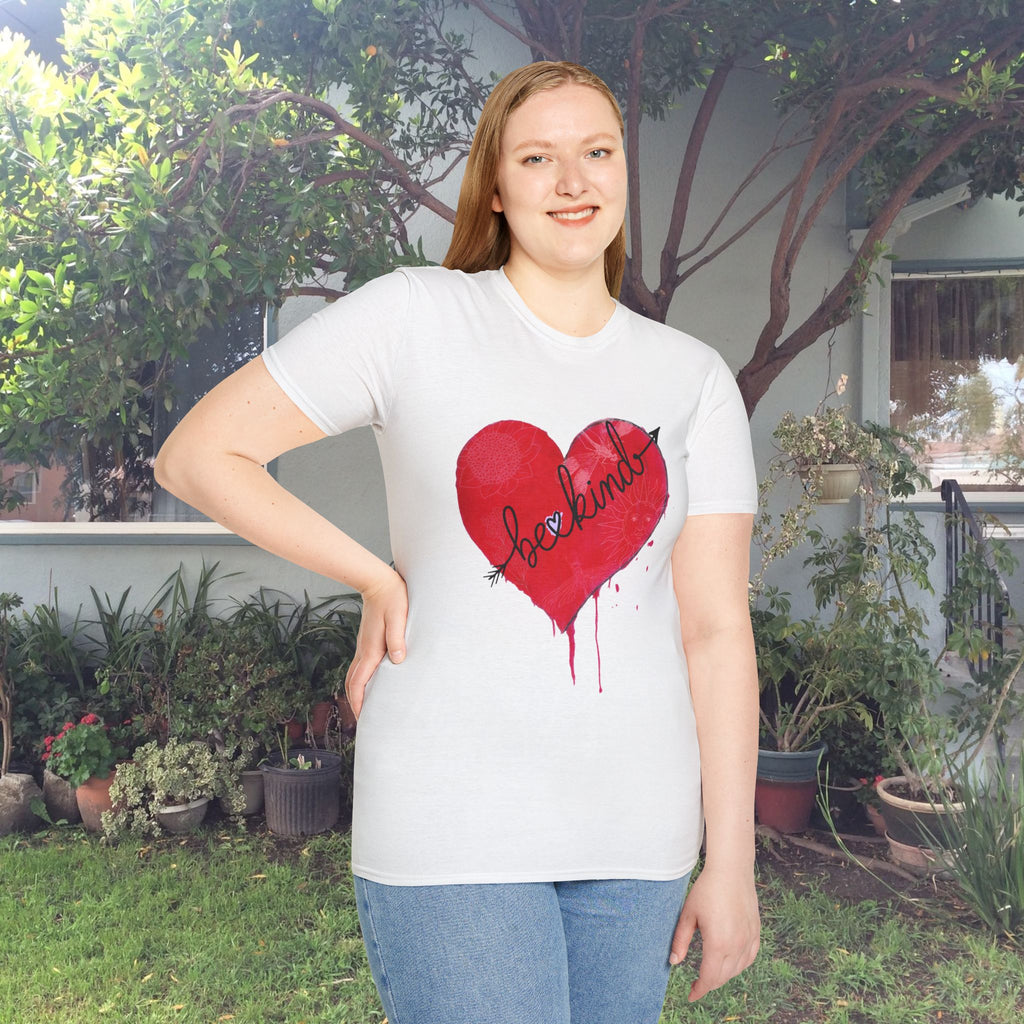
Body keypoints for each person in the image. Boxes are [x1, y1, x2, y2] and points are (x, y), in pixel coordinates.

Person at [156, 60, 760, 1024]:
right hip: (452, 823)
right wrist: (374, 576)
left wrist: (732, 865)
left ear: (622, 175)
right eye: (539, 157)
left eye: (597, 152)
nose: (573, 181)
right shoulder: (416, 318)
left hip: (637, 835)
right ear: (497, 186)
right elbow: (198, 455)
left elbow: (716, 632)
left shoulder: (691, 378)